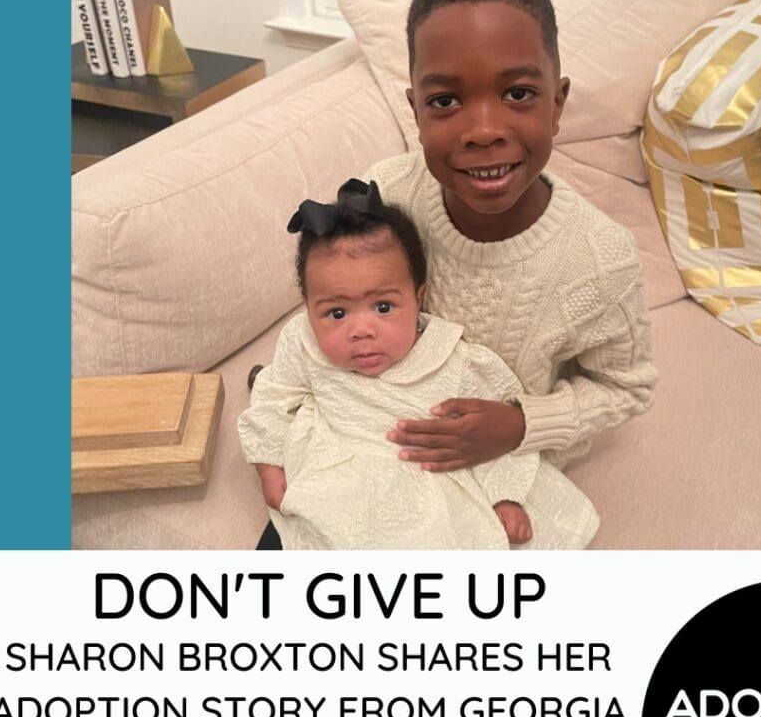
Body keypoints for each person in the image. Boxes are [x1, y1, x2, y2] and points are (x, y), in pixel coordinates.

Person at [366, 0, 658, 478]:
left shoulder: (602, 260)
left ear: (558, 103)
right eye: (446, 100)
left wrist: (521, 425)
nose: (483, 130)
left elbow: (627, 387)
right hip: (381, 436)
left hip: (508, 471)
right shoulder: (385, 197)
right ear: (415, 110)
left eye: (518, 94)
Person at [237, 178, 600, 550]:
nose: (361, 330)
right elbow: (272, 396)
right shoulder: (303, 342)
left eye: (383, 307)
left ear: (418, 298)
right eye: (336, 312)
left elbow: (496, 428)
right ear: (308, 308)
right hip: (333, 480)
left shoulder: (452, 359)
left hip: (426, 490)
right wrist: (269, 465)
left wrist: (505, 495)